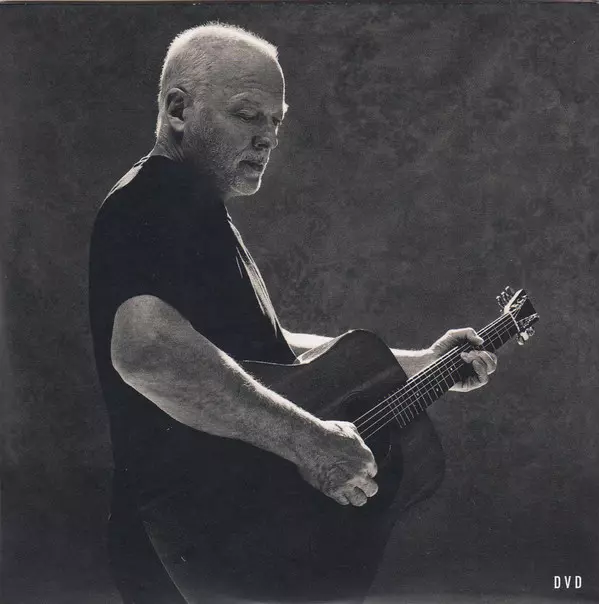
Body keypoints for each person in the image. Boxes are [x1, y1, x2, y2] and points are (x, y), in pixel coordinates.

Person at [89, 23, 498, 604]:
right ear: (178, 110)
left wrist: (424, 363)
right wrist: (310, 442)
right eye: (248, 115)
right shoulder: (151, 200)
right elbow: (148, 352)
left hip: (217, 544)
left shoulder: (195, 209)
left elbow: (264, 352)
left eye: (276, 122)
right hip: (187, 556)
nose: (267, 138)